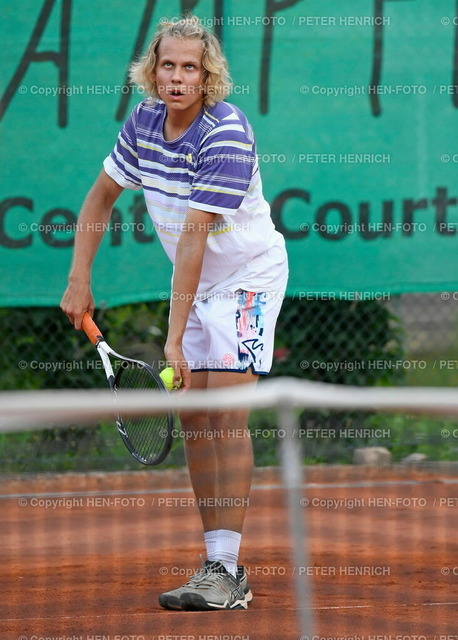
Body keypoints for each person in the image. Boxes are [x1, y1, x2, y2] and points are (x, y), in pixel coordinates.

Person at [60, 15, 288, 611]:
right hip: (196, 282)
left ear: (207, 75)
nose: (178, 77)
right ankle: (214, 565)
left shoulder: (226, 132)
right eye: (168, 65)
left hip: (246, 279)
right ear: (152, 71)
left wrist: (172, 339)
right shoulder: (142, 123)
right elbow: (101, 195)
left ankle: (228, 572)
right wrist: (78, 278)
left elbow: (193, 239)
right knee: (193, 419)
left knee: (221, 413)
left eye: (191, 67)